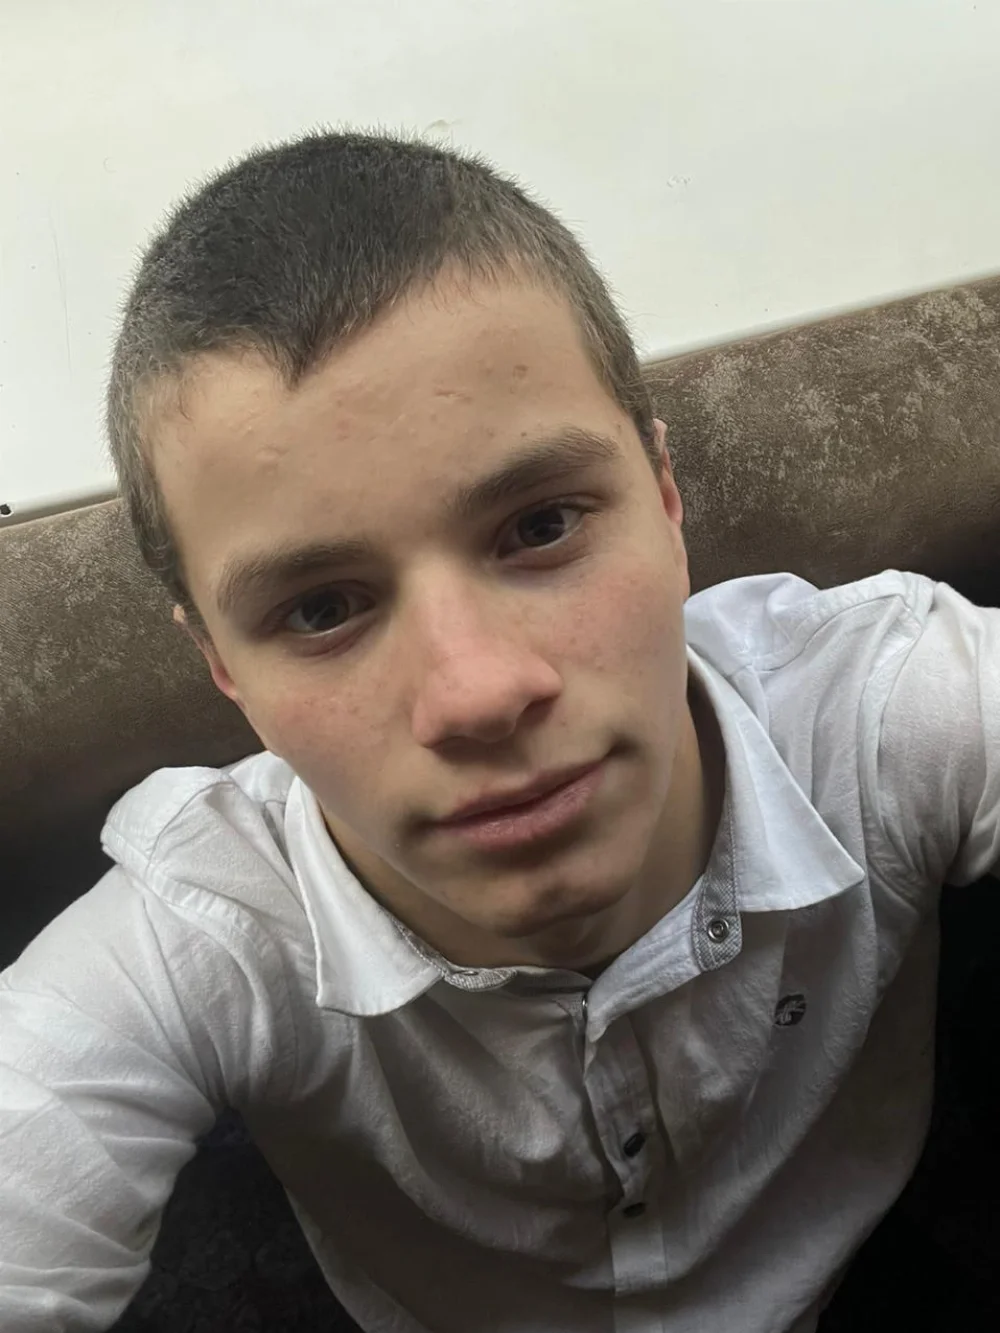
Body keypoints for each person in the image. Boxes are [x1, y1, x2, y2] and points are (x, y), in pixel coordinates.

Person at [1, 130, 998, 1333]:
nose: (475, 692)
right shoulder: (201, 933)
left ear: (665, 497)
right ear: (221, 664)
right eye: (320, 609)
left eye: (540, 527)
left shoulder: (884, 711)